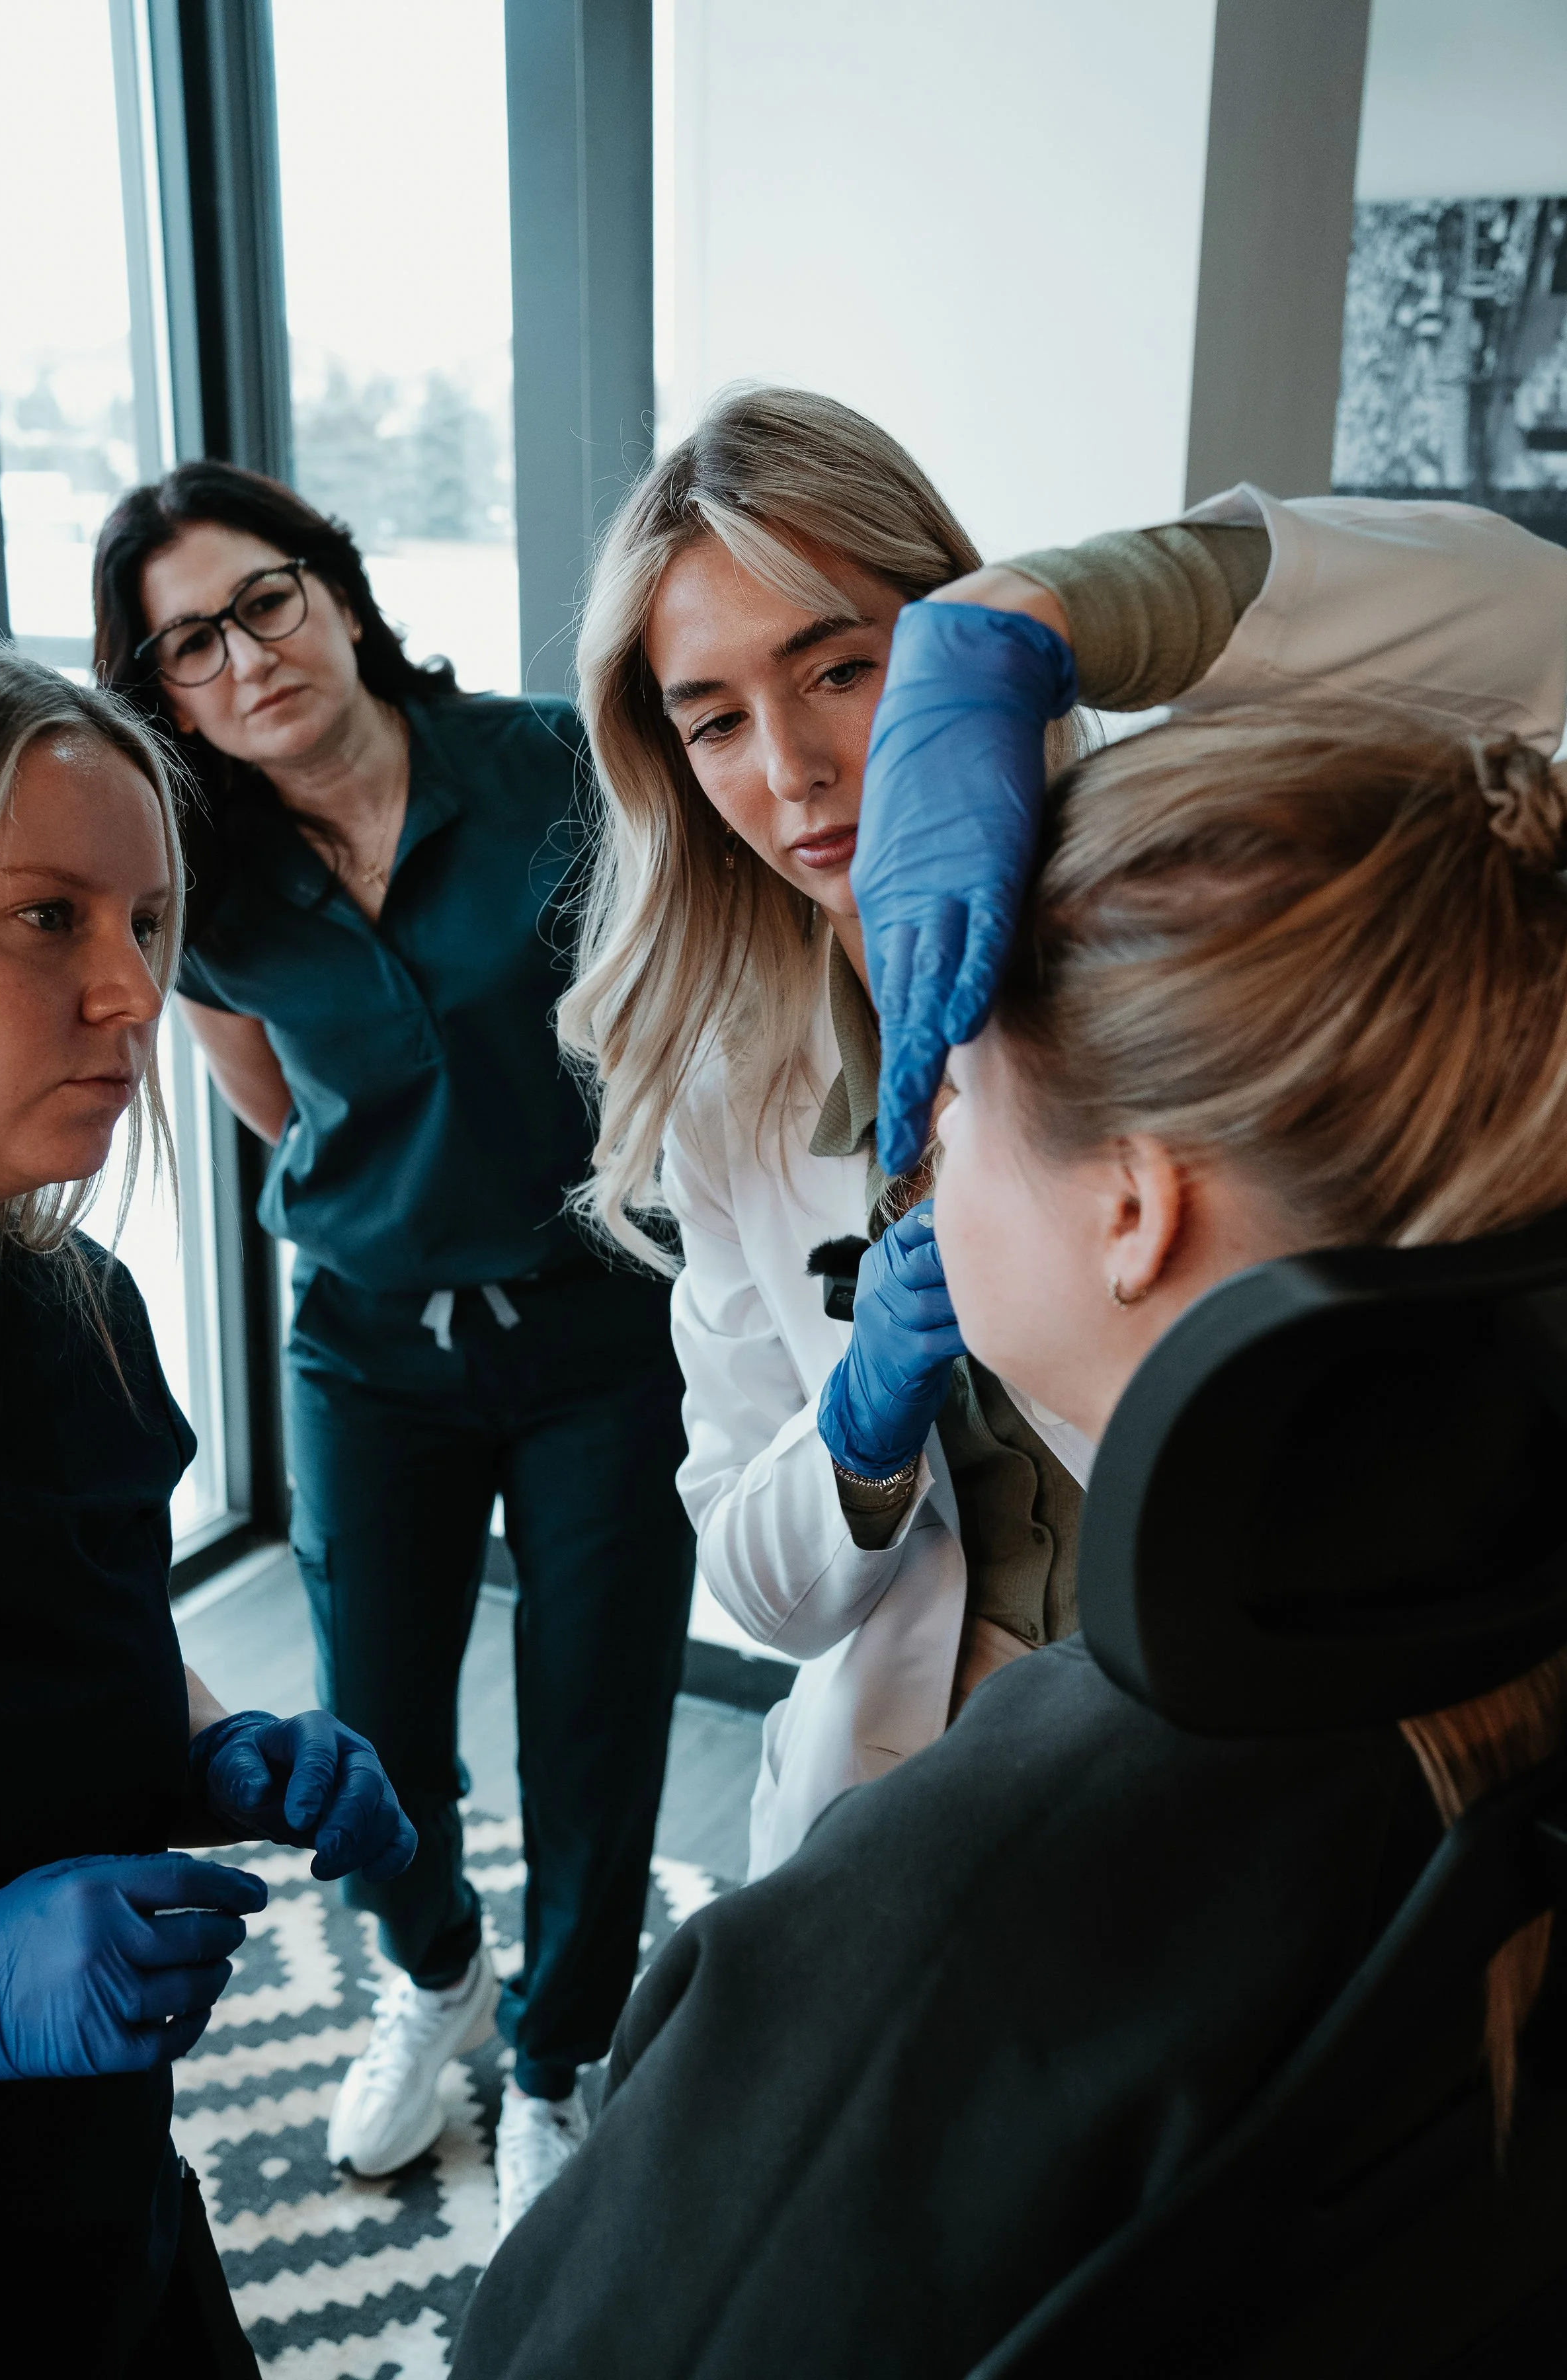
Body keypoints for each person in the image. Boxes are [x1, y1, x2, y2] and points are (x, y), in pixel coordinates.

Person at [452, 705, 1567, 2380]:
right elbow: (755, 1572)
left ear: (1134, 1204)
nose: (924, 1146)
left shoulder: (929, 1926)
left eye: (956, 1091)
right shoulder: (1487, 1653)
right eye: (714, 721)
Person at [559, 383, 1567, 1876]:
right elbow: (766, 1592)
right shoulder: (732, 1092)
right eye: (715, 723)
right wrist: (860, 1428)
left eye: (841, 668)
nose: (791, 771)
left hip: (1264, 1763)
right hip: (925, 1781)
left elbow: (1534, 631)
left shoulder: (1193, 931)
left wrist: (1040, 612)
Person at [93, 463, 694, 2233]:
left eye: (263, 600)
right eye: (187, 644)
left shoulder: (555, 765)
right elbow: (273, 1108)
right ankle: (428, 1976)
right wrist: (402, 1217)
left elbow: (676, 1003)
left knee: (596, 1722)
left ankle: (558, 2057)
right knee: (377, 1724)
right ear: (168, 692)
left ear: (338, 593)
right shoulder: (202, 879)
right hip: (367, 1350)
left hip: (597, 1328)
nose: (244, 655)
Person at [0, 643, 414, 2375]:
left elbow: (88, 1653)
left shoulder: (75, 1310)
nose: (133, 993)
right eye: (45, 920)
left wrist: (219, 1748)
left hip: (107, 2205)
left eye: (148, 925)